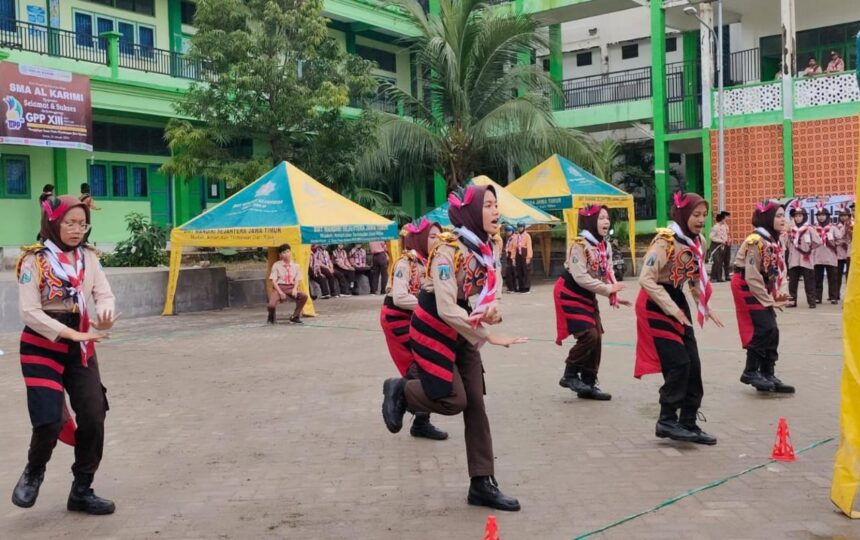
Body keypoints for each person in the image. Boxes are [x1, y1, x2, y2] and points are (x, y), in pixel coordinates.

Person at [381, 184, 527, 511]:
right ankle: (402, 390)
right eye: (488, 205)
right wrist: (488, 335)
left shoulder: (490, 247)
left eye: (495, 205)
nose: (495, 211)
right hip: (433, 324)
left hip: (463, 327)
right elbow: (446, 307)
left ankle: (482, 483)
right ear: (472, 211)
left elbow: (493, 288)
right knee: (453, 400)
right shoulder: (448, 250)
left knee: (476, 403)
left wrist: (493, 310)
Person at [13, 195, 118, 515]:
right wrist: (71, 333)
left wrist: (105, 313)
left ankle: (82, 489)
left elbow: (104, 293)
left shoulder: (89, 257)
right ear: (53, 223)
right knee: (48, 421)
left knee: (93, 415)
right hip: (42, 345)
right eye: (69, 223)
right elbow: (29, 312)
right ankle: (34, 470)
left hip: (81, 348)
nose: (76, 230)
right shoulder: (34, 260)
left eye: (81, 224)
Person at [635, 192, 722, 445]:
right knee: (679, 363)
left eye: (704, 215)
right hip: (656, 302)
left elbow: (693, 279)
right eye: (696, 215)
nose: (700, 220)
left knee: (694, 365)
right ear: (683, 214)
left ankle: (689, 422)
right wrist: (671, 308)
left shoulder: (699, 242)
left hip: (677, 301)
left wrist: (704, 306)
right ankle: (666, 420)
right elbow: (645, 279)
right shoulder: (665, 242)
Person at [379, 218, 447, 440]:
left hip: (417, 317)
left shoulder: (432, 262)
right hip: (398, 319)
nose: (437, 240)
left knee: (427, 366)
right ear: (419, 238)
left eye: (439, 236)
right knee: (419, 367)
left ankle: (420, 421)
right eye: (431, 236)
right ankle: (399, 392)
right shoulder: (406, 262)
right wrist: (428, 304)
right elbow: (399, 297)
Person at [555, 205, 629, 401]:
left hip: (588, 293)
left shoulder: (605, 246)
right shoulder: (579, 245)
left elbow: (608, 271)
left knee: (597, 337)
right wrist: (607, 290)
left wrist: (614, 294)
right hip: (569, 291)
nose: (606, 222)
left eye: (607, 218)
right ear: (590, 221)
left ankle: (588, 382)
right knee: (589, 334)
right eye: (601, 218)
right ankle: (570, 374)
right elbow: (580, 277)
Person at [731, 200, 794, 393]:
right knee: (764, 327)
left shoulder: (774, 240)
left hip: (761, 285)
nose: (782, 219)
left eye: (783, 215)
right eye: (778, 216)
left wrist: (780, 292)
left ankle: (767, 373)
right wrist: (769, 301)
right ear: (767, 218)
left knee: (772, 330)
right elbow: (751, 275)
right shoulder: (755, 241)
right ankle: (750, 371)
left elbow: (777, 269)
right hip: (747, 286)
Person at [784, 202, 820, 308]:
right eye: (796, 216)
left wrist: (809, 249)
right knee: (793, 282)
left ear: (804, 217)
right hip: (794, 259)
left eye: (800, 216)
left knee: (809, 282)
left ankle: (812, 302)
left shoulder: (809, 229)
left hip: (806, 259)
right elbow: (785, 244)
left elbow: (818, 241)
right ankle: (792, 301)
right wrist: (788, 235)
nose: (798, 218)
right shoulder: (791, 230)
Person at [266, 243, 308, 325]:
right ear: (280, 255)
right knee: (271, 305)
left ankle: (294, 317)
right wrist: (280, 292)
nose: (287, 254)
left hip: (291, 287)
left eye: (288, 251)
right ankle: (271, 316)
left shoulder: (296, 266)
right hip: (280, 287)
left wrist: (295, 289)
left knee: (304, 296)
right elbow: (273, 280)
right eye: (284, 252)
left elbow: (297, 279)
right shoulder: (276, 265)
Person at [813, 205, 841, 304]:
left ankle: (833, 297)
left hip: (830, 256)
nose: (821, 217)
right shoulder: (814, 228)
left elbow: (840, 239)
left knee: (832, 278)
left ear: (827, 216)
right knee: (817, 279)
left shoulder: (833, 228)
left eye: (823, 215)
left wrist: (833, 242)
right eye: (819, 215)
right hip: (817, 257)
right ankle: (817, 297)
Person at [508, 222, 533, 293]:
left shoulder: (527, 236)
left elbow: (529, 247)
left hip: (524, 253)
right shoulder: (516, 236)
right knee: (519, 271)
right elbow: (514, 248)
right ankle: (521, 287)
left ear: (524, 227)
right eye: (518, 227)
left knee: (526, 271)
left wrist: (528, 257)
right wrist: (513, 258)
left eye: (521, 227)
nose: (520, 228)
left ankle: (526, 287)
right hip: (518, 254)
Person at [709, 211, 731, 282]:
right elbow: (711, 237)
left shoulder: (726, 226)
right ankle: (715, 277)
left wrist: (729, 240)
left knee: (726, 261)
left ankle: (726, 276)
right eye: (726, 217)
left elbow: (727, 234)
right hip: (717, 246)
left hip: (725, 245)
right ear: (722, 218)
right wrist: (720, 241)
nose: (727, 218)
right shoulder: (715, 227)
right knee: (718, 261)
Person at [836, 205, 853, 284]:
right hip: (839, 253)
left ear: (849, 216)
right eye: (841, 216)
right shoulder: (836, 226)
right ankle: (836, 295)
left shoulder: (852, 225)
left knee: (849, 274)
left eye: (845, 215)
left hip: (850, 252)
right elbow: (836, 238)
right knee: (837, 275)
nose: (843, 217)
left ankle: (849, 294)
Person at [501, 224, 516, 293]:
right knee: (510, 273)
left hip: (512, 256)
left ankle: (512, 288)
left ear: (512, 231)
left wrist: (512, 258)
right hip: (508, 256)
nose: (507, 232)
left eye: (509, 231)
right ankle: (511, 287)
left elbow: (514, 248)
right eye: (506, 231)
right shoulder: (509, 238)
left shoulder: (514, 238)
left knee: (509, 272)